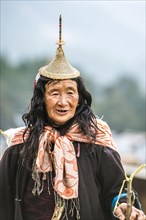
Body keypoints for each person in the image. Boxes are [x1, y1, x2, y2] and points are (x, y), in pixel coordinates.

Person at [0, 16, 145, 220]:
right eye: (54, 93)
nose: (63, 101)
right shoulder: (19, 147)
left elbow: (117, 191)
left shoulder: (97, 142)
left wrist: (121, 205)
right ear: (41, 99)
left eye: (70, 92)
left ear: (79, 99)